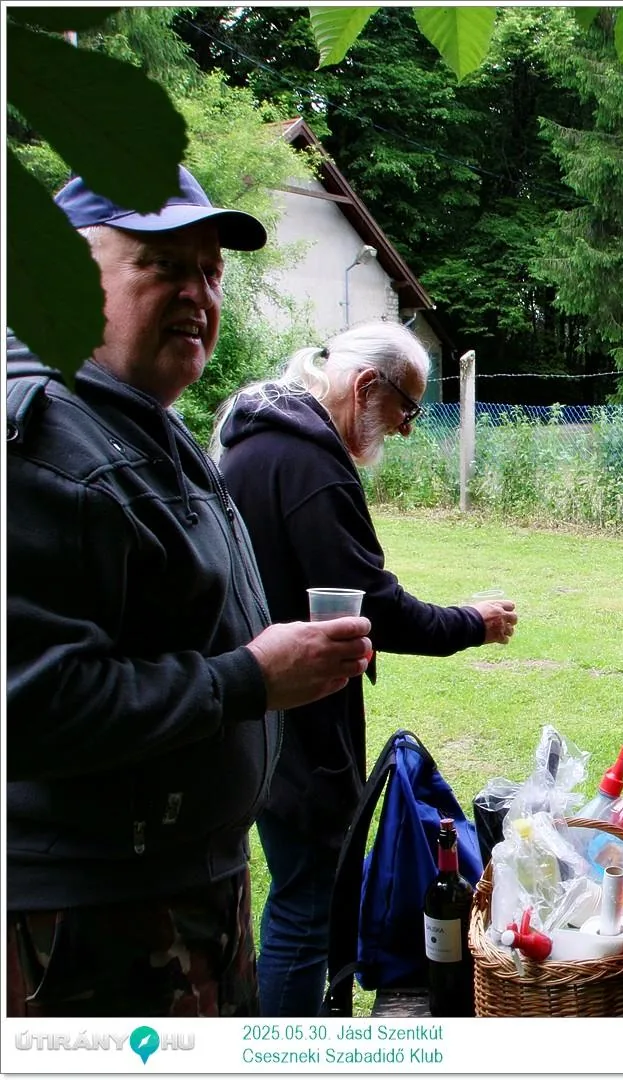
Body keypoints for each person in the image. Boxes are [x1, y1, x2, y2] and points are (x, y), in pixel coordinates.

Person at [6, 166, 375, 1017]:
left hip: (176, 888)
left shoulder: (137, 419)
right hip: (90, 923)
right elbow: (27, 700)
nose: (197, 294)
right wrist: (247, 679)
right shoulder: (40, 442)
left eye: (210, 272)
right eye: (162, 265)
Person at [209, 321, 519, 1017]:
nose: (407, 427)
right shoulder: (308, 461)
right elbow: (374, 604)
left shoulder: (260, 442)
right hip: (299, 725)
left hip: (263, 717)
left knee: (300, 894)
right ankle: (290, 1052)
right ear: (364, 386)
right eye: (406, 407)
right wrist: (473, 622)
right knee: (308, 905)